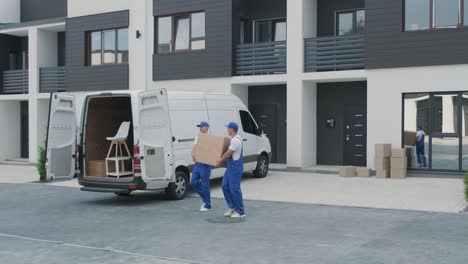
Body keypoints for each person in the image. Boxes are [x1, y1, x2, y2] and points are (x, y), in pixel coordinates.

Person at [216, 122, 245, 218]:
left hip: (235, 168)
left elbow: (228, 154)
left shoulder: (236, 140)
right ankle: (232, 207)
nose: (227, 129)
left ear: (232, 129)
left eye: (228, 128)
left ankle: (240, 211)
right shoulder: (232, 139)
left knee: (235, 189)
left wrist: (220, 161)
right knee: (225, 186)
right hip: (230, 167)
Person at [191, 121, 212, 212]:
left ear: (207, 128)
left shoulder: (210, 138)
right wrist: (193, 153)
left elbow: (212, 151)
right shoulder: (198, 137)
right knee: (193, 182)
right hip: (198, 163)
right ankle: (206, 198)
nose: (200, 128)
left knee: (205, 184)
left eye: (202, 126)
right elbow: (195, 146)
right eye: (199, 126)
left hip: (206, 163)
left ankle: (207, 204)